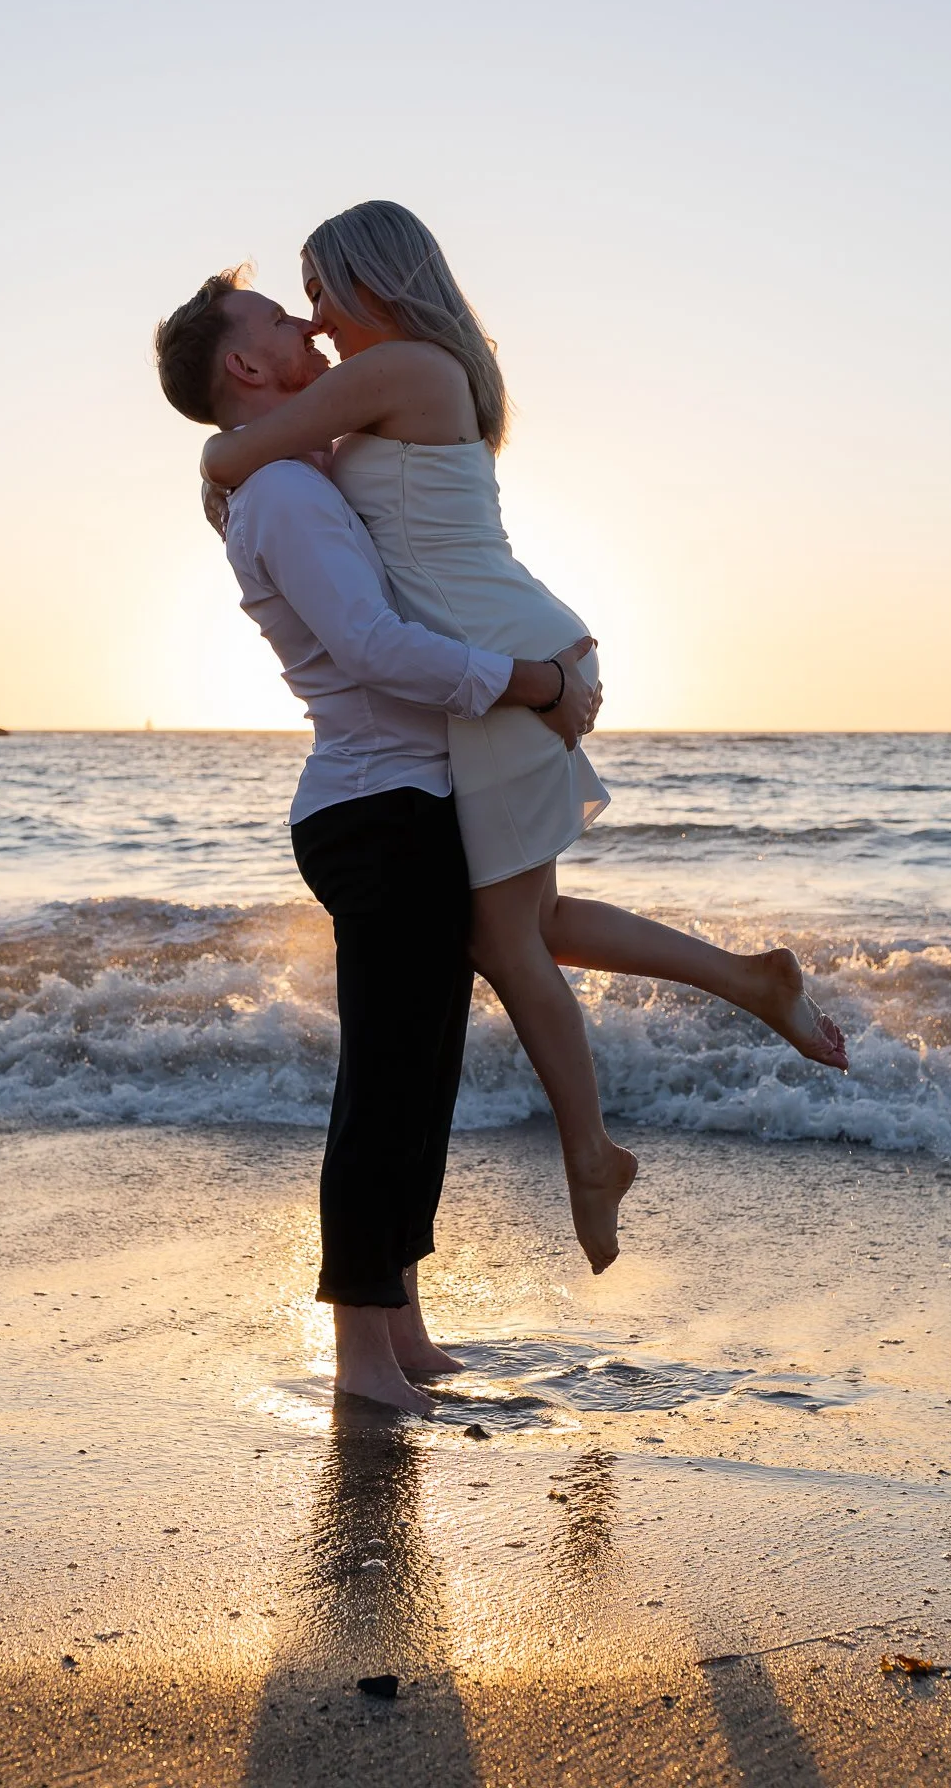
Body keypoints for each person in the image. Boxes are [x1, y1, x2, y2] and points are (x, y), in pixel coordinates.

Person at [203, 202, 850, 1275]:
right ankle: (749, 981)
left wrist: (212, 463)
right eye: (297, 303)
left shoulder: (399, 367)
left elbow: (238, 449)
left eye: (318, 291)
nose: (313, 321)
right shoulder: (410, 376)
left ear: (375, 280)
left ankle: (591, 1153)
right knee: (531, 919)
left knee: (501, 938)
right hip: (507, 653)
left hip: (508, 666)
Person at [154, 271, 596, 1417]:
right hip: (374, 807)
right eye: (277, 320)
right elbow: (370, 644)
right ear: (245, 365)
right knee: (387, 1085)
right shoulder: (284, 494)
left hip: (404, 800)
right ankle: (361, 1353)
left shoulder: (293, 475)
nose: (305, 325)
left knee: (421, 1076)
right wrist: (530, 680)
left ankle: (401, 1326)